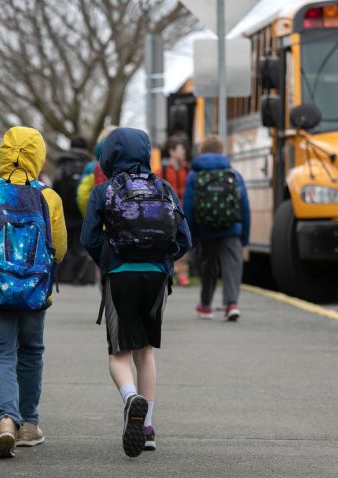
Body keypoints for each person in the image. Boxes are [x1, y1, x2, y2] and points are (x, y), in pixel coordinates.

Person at [0, 126, 67, 458]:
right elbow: (58, 248)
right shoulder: (48, 197)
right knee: (31, 352)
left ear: (3, 154)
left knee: (2, 353)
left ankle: (5, 419)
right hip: (35, 291)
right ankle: (29, 424)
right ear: (38, 155)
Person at [81, 127, 192, 457]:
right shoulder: (165, 187)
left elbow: (89, 238)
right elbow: (185, 240)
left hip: (119, 275)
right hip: (156, 277)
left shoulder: (104, 191)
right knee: (146, 352)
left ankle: (131, 400)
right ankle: (147, 428)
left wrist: (110, 256)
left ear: (110, 154)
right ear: (146, 152)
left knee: (119, 354)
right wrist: (160, 259)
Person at [183, 135, 250, 321]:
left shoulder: (195, 175)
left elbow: (188, 206)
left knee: (207, 267)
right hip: (232, 228)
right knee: (232, 266)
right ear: (221, 151)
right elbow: (244, 206)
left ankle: (205, 306)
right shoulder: (234, 175)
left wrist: (189, 235)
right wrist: (244, 236)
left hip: (205, 229)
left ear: (202, 151)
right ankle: (232, 305)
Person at [53, 135, 95, 284]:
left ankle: (63, 275)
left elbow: (55, 186)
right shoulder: (89, 165)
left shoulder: (62, 164)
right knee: (80, 243)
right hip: (82, 211)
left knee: (65, 242)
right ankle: (82, 276)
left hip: (64, 210)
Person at [160, 135, 191, 286]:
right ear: (172, 152)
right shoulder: (163, 170)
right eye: (180, 149)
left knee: (183, 240)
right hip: (167, 213)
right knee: (169, 242)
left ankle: (182, 273)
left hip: (183, 212)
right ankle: (172, 271)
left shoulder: (188, 169)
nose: (183, 152)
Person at [76, 125, 117, 217]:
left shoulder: (91, 167)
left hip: (97, 219)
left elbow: (82, 195)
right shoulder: (127, 167)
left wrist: (91, 215)